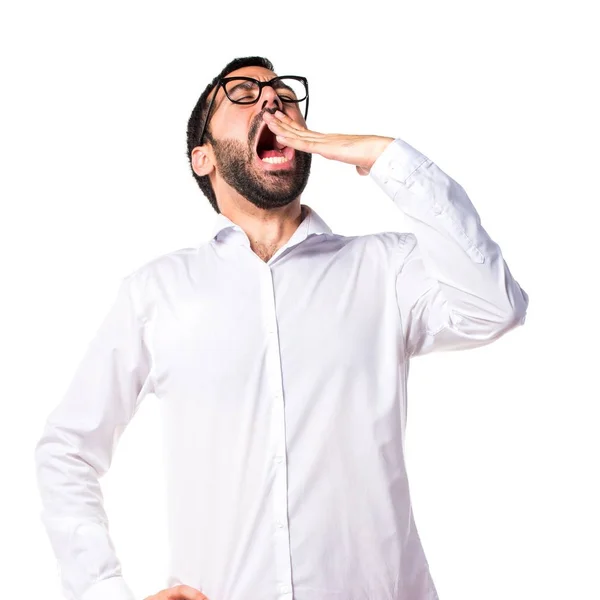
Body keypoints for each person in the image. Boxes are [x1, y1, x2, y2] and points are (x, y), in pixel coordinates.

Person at [33, 55, 529, 600]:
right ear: (203, 158)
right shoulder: (157, 292)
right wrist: (103, 589)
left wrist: (385, 157)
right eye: (242, 93)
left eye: (282, 93)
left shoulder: (385, 269)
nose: (272, 98)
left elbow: (494, 307)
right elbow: (67, 449)